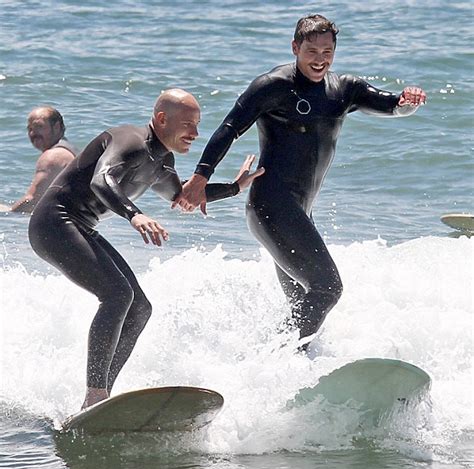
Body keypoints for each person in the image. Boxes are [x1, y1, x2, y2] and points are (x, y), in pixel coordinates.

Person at [173, 14, 426, 351]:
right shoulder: (273, 86)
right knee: (327, 288)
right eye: (311, 51)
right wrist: (200, 177)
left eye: (327, 52)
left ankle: (284, 375)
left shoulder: (344, 89)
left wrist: (407, 101)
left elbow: (392, 106)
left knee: (304, 304)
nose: (319, 59)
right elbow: (229, 129)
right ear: (295, 47)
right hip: (271, 207)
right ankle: (274, 362)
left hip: (299, 213)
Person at [28, 88, 264, 409]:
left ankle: (100, 396)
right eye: (189, 124)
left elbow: (182, 196)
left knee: (140, 307)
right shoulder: (131, 142)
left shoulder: (161, 161)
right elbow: (102, 180)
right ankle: (95, 394)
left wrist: (235, 187)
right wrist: (134, 214)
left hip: (78, 226)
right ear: (162, 119)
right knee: (117, 295)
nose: (195, 133)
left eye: (197, 125)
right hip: (53, 223)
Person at [10, 106, 78, 213]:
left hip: (61, 225)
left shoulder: (53, 157)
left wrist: (7, 218)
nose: (33, 133)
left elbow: (32, 200)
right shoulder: (70, 151)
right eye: (30, 129)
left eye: (39, 126)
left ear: (56, 127)